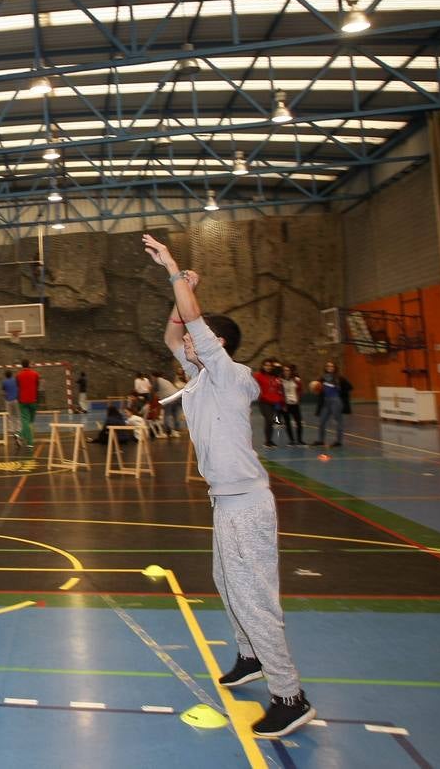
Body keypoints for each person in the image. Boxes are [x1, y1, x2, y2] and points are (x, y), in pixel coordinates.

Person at [142, 232, 314, 738]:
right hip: (227, 503)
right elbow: (174, 337)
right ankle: (250, 657)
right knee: (227, 582)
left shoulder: (232, 375)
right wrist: (181, 298)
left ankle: (290, 696)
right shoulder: (199, 378)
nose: (186, 346)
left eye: (198, 339)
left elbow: (192, 328)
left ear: (215, 344)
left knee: (254, 597)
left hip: (247, 506)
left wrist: (175, 270)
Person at [311, 361, 352, 447]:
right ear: (325, 368)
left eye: (332, 366)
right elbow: (316, 388)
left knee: (338, 421)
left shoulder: (339, 378)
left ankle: (338, 441)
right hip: (326, 402)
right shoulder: (322, 378)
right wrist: (316, 389)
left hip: (336, 401)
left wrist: (340, 392)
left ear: (335, 368)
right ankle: (320, 440)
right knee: (321, 421)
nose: (330, 367)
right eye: (328, 366)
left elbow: (349, 387)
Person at [253, 359, 286, 448]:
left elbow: (280, 389)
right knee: (269, 419)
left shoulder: (276, 377)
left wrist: (282, 401)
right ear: (263, 366)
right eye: (266, 365)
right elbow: (253, 386)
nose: (268, 367)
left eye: (269, 365)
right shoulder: (258, 376)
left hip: (275, 402)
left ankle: (270, 441)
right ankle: (267, 441)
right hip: (264, 402)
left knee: (270, 421)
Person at [17, 358, 40, 447]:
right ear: (29, 364)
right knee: (30, 421)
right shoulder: (35, 374)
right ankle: (29, 442)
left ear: (22, 365)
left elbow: (18, 386)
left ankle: (20, 434)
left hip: (22, 401)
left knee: (26, 421)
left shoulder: (18, 375)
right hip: (33, 400)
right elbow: (37, 385)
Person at [281, 365, 306, 445]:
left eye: (288, 370)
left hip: (295, 404)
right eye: (285, 370)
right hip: (286, 405)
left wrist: (298, 398)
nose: (286, 372)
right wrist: (283, 404)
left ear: (291, 371)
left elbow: (300, 390)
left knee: (299, 422)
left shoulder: (297, 380)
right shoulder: (280, 381)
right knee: (287, 423)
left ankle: (299, 439)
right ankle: (291, 440)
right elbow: (279, 392)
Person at [1, 369, 20, 439]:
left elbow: (4, 390)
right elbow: (18, 388)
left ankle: (12, 430)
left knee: (10, 416)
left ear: (5, 375)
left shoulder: (4, 382)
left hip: (8, 400)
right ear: (11, 374)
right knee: (17, 415)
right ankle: (18, 430)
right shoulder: (15, 380)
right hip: (16, 400)